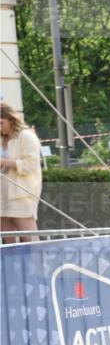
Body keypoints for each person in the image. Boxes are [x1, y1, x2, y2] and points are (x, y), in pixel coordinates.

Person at [0, 102, 42, 244]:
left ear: (11, 119)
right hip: (2, 196)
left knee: (29, 240)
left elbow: (31, 165)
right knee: (8, 241)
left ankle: (35, 260)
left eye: (1, 123)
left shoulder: (26, 136)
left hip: (21, 195)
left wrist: (4, 162)